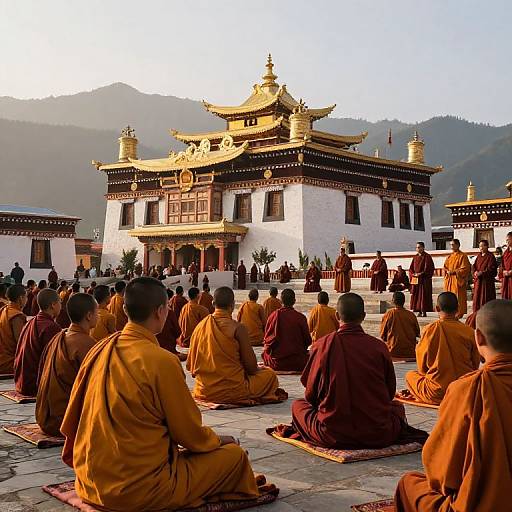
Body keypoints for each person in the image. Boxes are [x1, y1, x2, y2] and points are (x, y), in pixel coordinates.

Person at [61, 278, 265, 511]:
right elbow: (189, 435)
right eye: (167, 307)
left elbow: (72, 420)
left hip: (89, 481)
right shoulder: (162, 361)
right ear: (160, 311)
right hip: (140, 489)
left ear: (125, 310)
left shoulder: (99, 349)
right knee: (234, 457)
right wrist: (219, 440)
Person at [394, 299, 512, 512]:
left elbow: (442, 472)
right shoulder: (472, 383)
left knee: (408, 484)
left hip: (484, 504)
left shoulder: (468, 389)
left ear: (479, 337)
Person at [278, 293, 427, 449]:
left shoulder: (322, 345)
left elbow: (311, 394)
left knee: (298, 405)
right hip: (377, 431)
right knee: (397, 408)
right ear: (363, 316)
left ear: (337, 316)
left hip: (332, 432)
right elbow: (389, 393)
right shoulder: (378, 347)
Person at [187, 286, 287, 405]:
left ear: (213, 303)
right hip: (233, 389)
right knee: (270, 375)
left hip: (204, 389)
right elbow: (251, 368)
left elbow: (190, 366)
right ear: (232, 304)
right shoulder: (238, 328)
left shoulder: (200, 326)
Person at [36, 293, 98, 437]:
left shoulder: (59, 337)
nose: (98, 316)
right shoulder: (87, 344)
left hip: (45, 416)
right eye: (97, 313)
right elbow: (96, 387)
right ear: (89, 316)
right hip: (66, 421)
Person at [404, 292, 480, 406]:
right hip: (465, 390)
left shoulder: (430, 329)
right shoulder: (469, 331)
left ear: (437, 308)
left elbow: (422, 365)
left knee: (410, 375)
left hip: (437, 392)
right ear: (458, 308)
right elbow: (475, 364)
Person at [14, 289, 62, 396]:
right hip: (35, 384)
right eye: (60, 302)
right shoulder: (51, 327)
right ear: (53, 305)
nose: (61, 306)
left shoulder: (30, 322)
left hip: (21, 381)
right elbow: (55, 362)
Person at [263, 289, 311, 371]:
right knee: (311, 356)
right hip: (298, 362)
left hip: (277, 363)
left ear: (281, 301)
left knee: (265, 355)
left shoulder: (273, 316)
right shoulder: (300, 317)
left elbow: (268, 340)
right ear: (294, 301)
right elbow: (308, 341)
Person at [380, 292, 420, 360]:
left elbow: (383, 335)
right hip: (409, 352)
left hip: (393, 352)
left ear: (393, 301)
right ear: (404, 301)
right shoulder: (411, 315)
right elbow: (417, 332)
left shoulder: (388, 314)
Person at [0, 285, 27, 373]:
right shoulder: (16, 316)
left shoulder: (4, 310)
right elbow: (21, 344)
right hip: (9, 362)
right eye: (26, 296)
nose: (27, 299)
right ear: (20, 298)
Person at [443, 239, 470, 318]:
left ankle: (459, 313)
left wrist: (454, 272)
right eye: (450, 245)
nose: (451, 247)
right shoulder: (449, 256)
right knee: (449, 297)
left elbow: (465, 268)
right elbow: (445, 267)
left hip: (457, 280)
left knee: (458, 297)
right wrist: (447, 271)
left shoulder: (463, 256)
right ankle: (449, 312)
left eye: (453, 245)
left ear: (458, 245)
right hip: (450, 281)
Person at [157, 289, 186, 361]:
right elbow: (177, 332)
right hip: (168, 348)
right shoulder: (168, 312)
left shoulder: (150, 311)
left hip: (154, 346)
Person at [409, 242, 434, 317]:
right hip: (416, 280)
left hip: (424, 280)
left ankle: (424, 311)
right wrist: (413, 274)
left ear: (423, 247)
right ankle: (418, 310)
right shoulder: (415, 257)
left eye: (419, 247)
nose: (418, 249)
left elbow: (429, 268)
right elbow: (411, 268)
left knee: (423, 296)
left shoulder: (427, 257)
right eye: (417, 247)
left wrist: (421, 274)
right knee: (416, 296)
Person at [472, 239, 498, 313]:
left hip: (486, 282)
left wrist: (482, 273)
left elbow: (492, 269)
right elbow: (474, 266)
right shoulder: (479, 256)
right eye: (480, 246)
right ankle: (477, 312)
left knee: (486, 297)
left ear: (487, 246)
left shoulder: (490, 256)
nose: (481, 248)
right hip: (478, 281)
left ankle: (487, 312)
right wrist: (475, 272)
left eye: (482, 246)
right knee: (477, 297)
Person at [501, 232, 512, 299]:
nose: (507, 241)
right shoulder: (505, 252)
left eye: (508, 239)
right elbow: (502, 264)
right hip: (506, 278)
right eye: (506, 240)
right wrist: (503, 271)